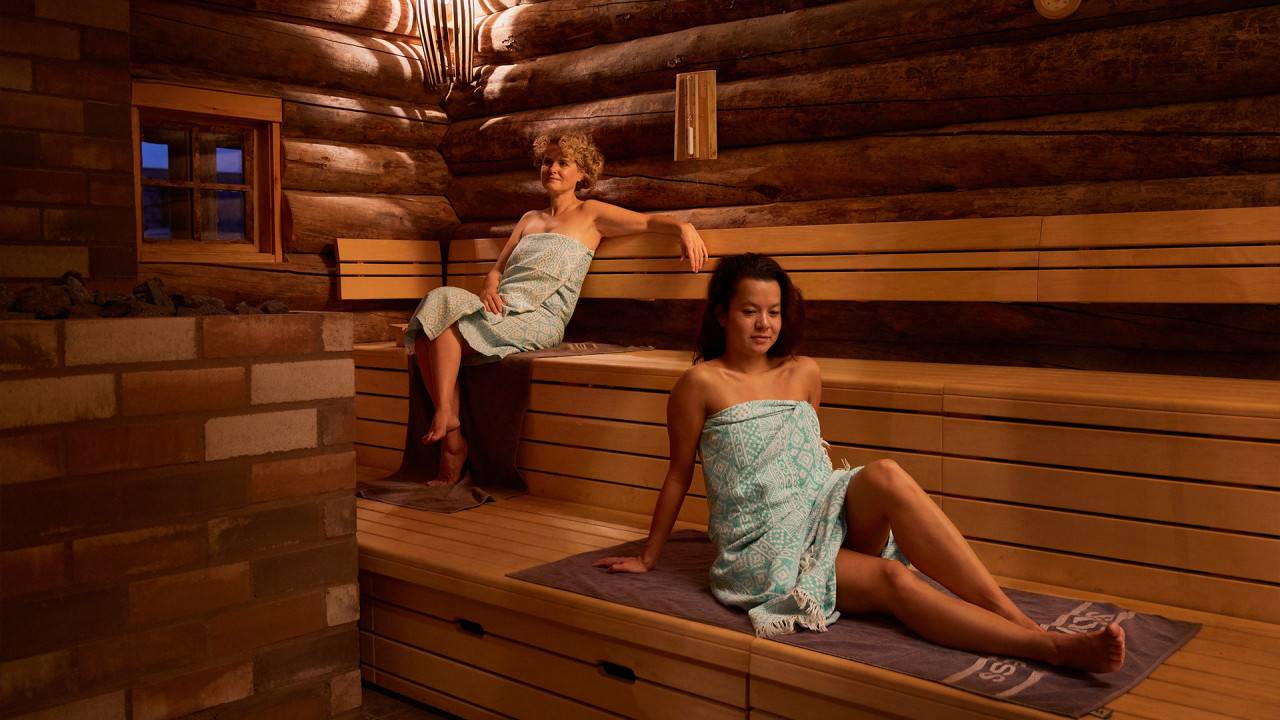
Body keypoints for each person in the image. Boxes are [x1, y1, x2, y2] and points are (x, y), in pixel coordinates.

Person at [593, 253, 1125, 674]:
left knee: (886, 472)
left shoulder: (804, 372)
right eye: (750, 310)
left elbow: (806, 457)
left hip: (821, 511)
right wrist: (648, 556)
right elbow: (679, 474)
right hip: (769, 548)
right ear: (721, 314)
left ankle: (1017, 619)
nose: (764, 323)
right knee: (892, 579)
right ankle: (1049, 649)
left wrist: (837, 508)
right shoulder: (699, 383)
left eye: (774, 311)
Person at [405, 130, 709, 486]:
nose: (553, 168)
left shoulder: (591, 214)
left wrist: (684, 227)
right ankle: (451, 429)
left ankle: (450, 436)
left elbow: (645, 222)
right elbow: (497, 269)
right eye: (548, 161)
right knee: (438, 303)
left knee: (437, 330)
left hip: (541, 319)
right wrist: (490, 283)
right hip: (502, 309)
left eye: (564, 162)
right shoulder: (529, 219)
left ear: (582, 173)